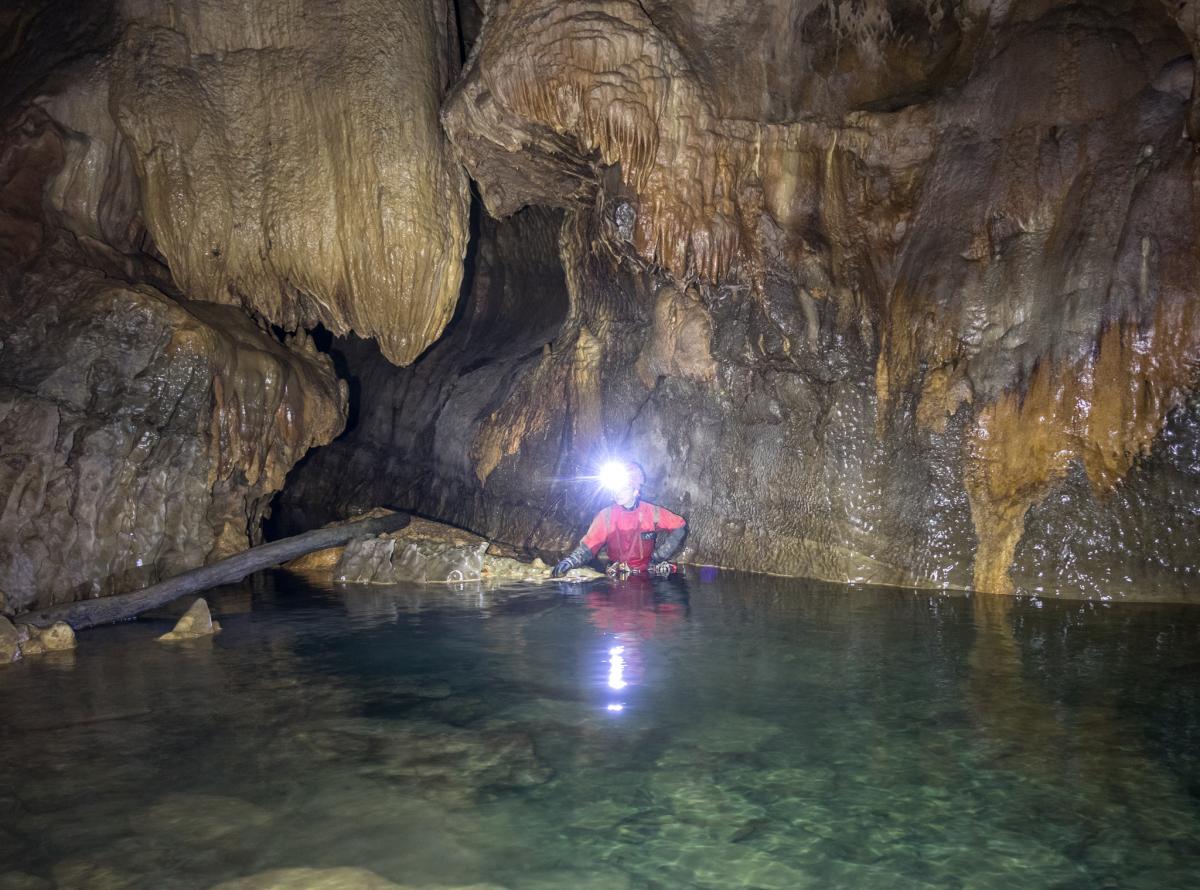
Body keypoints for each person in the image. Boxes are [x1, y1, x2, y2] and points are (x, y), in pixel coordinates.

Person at [552, 460, 687, 577]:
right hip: (616, 576)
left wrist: (658, 557)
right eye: (616, 488)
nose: (618, 493)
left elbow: (679, 526)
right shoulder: (607, 516)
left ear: (635, 491)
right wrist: (571, 560)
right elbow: (589, 545)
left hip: (645, 576)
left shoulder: (651, 512)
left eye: (624, 488)